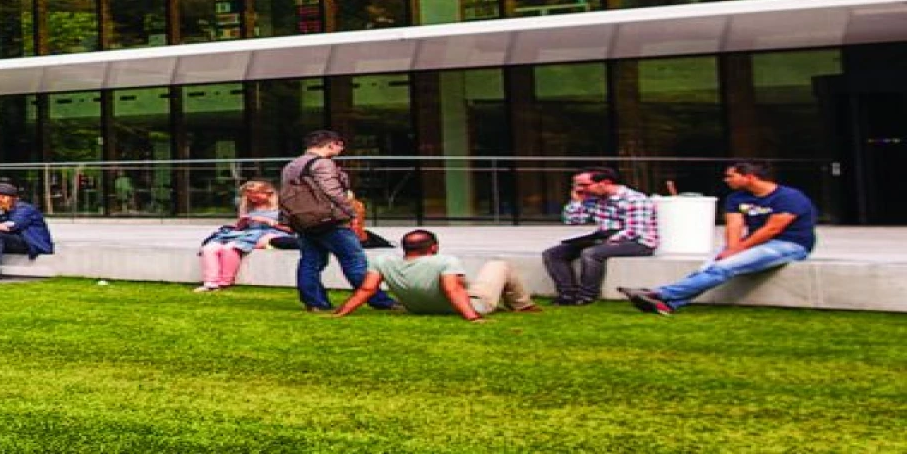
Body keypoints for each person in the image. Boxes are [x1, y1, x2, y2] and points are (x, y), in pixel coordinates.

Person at [621, 162, 820, 316]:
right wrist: (731, 248)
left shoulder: (789, 197)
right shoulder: (737, 198)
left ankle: (660, 294)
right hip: (753, 243)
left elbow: (771, 229)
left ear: (749, 177)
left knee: (724, 267)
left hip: (789, 245)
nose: (726, 180)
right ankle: (667, 304)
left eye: (731, 176)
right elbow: (734, 226)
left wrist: (737, 250)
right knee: (709, 267)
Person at [281, 130, 394, 312]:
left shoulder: (291, 166)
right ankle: (379, 300)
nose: (341, 149)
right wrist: (351, 212)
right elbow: (332, 191)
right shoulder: (323, 163)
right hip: (330, 220)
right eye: (340, 145)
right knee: (354, 261)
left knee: (310, 262)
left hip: (303, 221)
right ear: (331, 144)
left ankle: (314, 302)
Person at [332, 230, 541, 321]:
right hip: (471, 305)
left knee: (464, 282)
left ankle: (513, 304)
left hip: (418, 308)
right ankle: (522, 305)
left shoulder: (383, 261)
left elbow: (367, 289)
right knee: (499, 265)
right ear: (433, 247)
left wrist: (342, 312)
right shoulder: (445, 261)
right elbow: (452, 290)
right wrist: (473, 317)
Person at [544, 167, 659, 306]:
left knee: (591, 253)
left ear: (605, 183)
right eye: (576, 185)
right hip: (604, 237)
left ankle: (586, 296)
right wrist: (577, 202)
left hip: (638, 242)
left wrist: (606, 241)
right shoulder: (593, 198)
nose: (580, 189)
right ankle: (567, 295)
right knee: (553, 253)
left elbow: (634, 230)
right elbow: (572, 220)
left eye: (584, 185)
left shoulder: (635, 199)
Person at [193, 181, 291, 292]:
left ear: (268, 194)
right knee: (209, 248)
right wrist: (242, 223)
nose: (252, 198)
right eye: (249, 195)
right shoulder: (248, 207)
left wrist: (269, 221)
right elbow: (239, 228)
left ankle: (224, 282)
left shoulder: (282, 209)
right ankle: (210, 282)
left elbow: (291, 229)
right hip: (244, 233)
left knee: (229, 248)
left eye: (255, 194)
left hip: (265, 234)